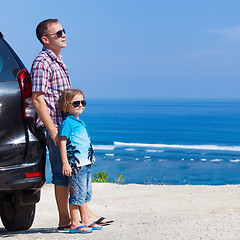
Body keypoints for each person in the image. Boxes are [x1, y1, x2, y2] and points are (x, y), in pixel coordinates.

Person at [31, 19, 113, 229]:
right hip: (57, 128)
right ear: (45, 39)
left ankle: (84, 215)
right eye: (58, 33)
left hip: (66, 125)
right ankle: (66, 219)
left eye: (63, 31)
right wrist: (53, 130)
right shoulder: (42, 62)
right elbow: (38, 99)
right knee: (62, 173)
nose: (64, 35)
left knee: (77, 170)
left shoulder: (58, 60)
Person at [59, 88, 103, 233]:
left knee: (85, 193)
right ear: (66, 105)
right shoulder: (67, 123)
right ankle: (74, 223)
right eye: (76, 103)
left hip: (85, 162)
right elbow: (62, 142)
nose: (80, 105)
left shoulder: (78, 121)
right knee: (76, 193)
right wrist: (65, 162)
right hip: (76, 164)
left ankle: (85, 220)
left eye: (83, 102)